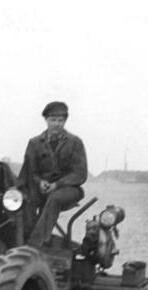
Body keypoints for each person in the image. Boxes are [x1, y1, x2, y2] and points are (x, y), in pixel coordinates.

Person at [17, 101, 88, 247]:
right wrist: (39, 182)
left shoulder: (75, 143)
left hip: (69, 189)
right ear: (46, 120)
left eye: (60, 120)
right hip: (41, 187)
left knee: (54, 198)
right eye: (53, 120)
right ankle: (24, 238)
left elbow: (80, 174)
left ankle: (35, 243)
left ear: (65, 121)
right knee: (26, 199)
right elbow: (30, 171)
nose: (56, 124)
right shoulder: (35, 143)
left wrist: (57, 184)